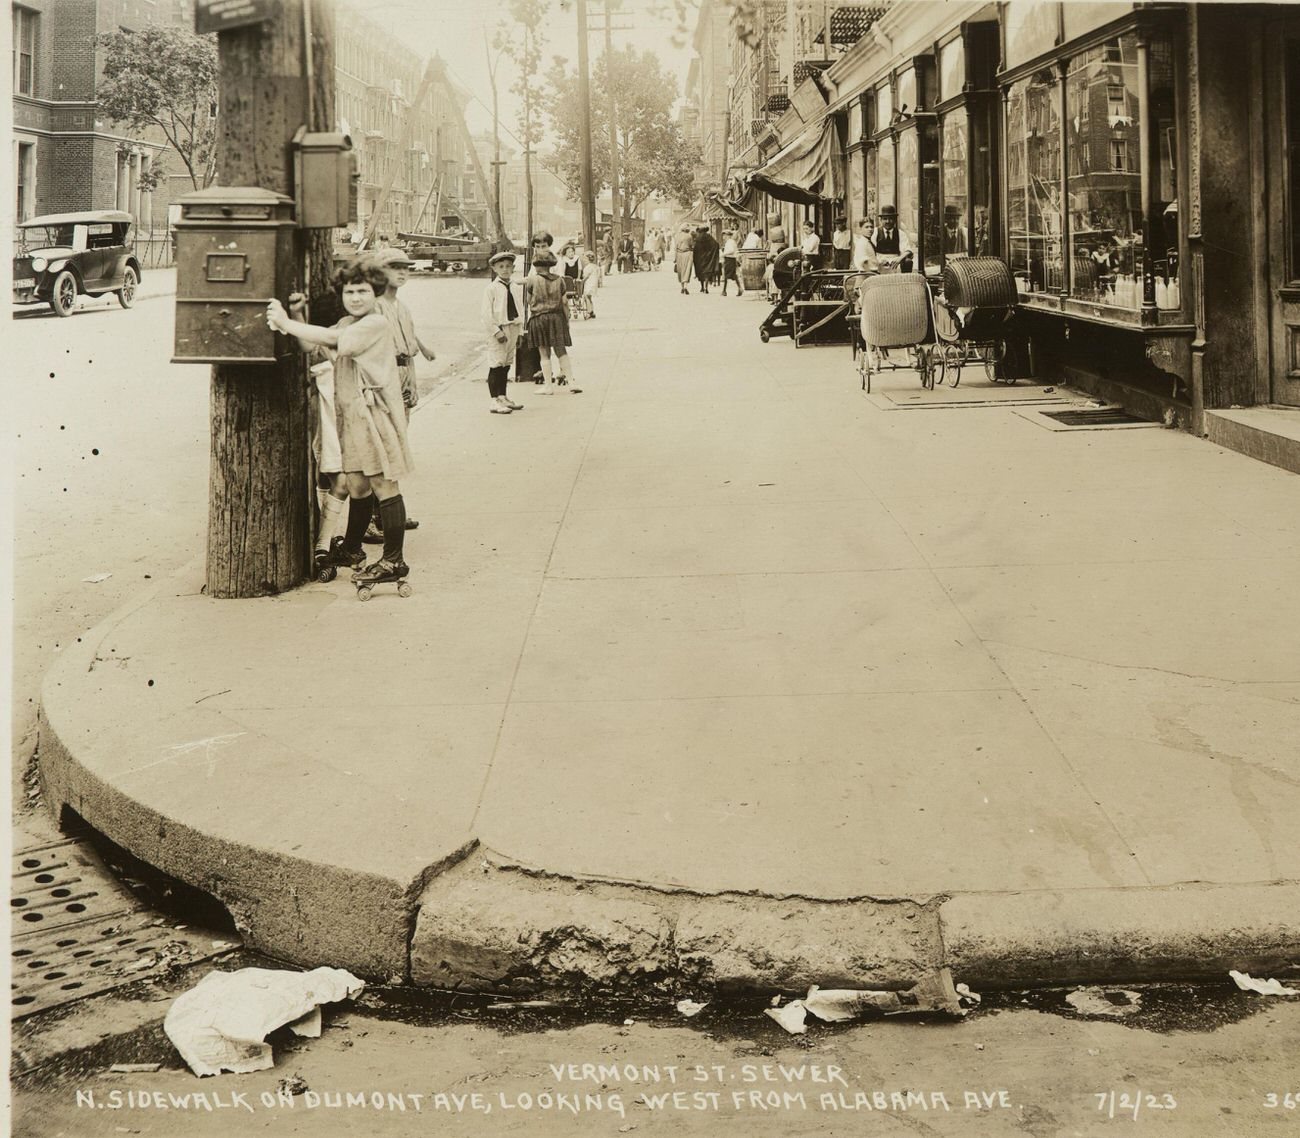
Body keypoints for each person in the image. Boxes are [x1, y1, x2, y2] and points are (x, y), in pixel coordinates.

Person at [266, 259, 414, 592]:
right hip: (353, 416)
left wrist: (285, 322)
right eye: (350, 291)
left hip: (374, 416)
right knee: (359, 485)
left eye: (363, 291)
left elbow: (332, 338)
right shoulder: (349, 322)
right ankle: (351, 549)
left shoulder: (375, 323)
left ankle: (393, 560)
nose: (356, 297)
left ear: (375, 293)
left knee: (383, 485)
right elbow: (314, 345)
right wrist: (299, 316)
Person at [368, 247, 431, 540]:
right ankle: (371, 516)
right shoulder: (374, 306)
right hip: (383, 379)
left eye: (405, 267)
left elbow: (409, 353)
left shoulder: (401, 307)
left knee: (396, 447)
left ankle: (389, 512)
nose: (402, 272)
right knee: (380, 448)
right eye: (395, 267)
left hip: (403, 376)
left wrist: (413, 384)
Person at [525, 249, 582, 394]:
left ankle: (548, 386)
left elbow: (528, 301)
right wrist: (566, 320)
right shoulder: (559, 280)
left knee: (544, 353)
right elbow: (564, 302)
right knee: (561, 350)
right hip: (557, 318)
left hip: (539, 318)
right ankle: (571, 382)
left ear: (536, 265)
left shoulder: (532, 280)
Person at [482, 249, 526, 415]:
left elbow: (520, 309)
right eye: (501, 266)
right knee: (496, 364)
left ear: (513, 268)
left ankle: (503, 395)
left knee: (507, 364)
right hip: (499, 329)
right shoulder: (491, 289)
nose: (505, 269)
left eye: (508, 266)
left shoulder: (514, 286)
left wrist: (520, 331)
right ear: (495, 269)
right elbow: (486, 314)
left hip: (513, 327)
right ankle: (494, 400)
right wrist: (496, 331)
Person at [516, 231, 553, 386]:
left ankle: (552, 371)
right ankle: (546, 370)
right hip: (537, 306)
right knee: (543, 342)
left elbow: (535, 279)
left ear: (549, 245)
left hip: (549, 306)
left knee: (551, 342)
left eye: (543, 246)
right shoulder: (535, 260)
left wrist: (517, 281)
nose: (540, 249)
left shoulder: (552, 260)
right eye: (537, 246)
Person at [873, 204, 915, 270]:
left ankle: (904, 280)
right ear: (881, 220)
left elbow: (908, 250)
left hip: (895, 260)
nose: (888, 221)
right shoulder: (875, 232)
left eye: (891, 219)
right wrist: (878, 260)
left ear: (895, 220)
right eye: (885, 219)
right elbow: (871, 249)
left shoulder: (900, 233)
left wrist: (899, 258)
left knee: (908, 262)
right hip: (879, 260)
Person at [693, 226, 720, 294]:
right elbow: (716, 244)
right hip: (707, 257)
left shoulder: (698, 238)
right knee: (707, 272)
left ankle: (702, 287)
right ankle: (706, 288)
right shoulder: (709, 237)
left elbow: (695, 249)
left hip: (699, 258)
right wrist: (711, 252)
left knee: (700, 272)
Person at [720, 228, 743, 296]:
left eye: (724, 235)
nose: (723, 237)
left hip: (730, 259)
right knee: (732, 275)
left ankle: (724, 291)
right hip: (730, 259)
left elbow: (731, 250)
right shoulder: (730, 242)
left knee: (727, 275)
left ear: (728, 235)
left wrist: (723, 254)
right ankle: (739, 288)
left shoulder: (730, 242)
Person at [674, 225, 695, 294]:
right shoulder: (689, 236)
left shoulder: (677, 236)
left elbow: (675, 247)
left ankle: (682, 287)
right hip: (687, 253)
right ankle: (685, 287)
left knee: (680, 270)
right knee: (686, 270)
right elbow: (691, 245)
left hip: (679, 254)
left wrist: (675, 258)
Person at [580, 250, 600, 318]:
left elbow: (585, 277)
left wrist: (581, 281)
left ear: (587, 259)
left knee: (586, 297)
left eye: (585, 259)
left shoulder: (587, 267)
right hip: (594, 284)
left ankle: (589, 311)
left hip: (589, 284)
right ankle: (591, 310)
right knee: (589, 298)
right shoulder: (595, 266)